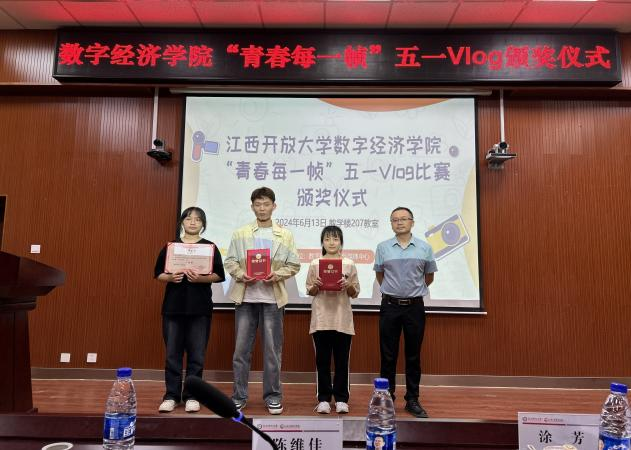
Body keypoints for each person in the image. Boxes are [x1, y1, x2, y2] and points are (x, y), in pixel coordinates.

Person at [224, 187, 300, 415]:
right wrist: (241, 274)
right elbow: (230, 262)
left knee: (272, 352)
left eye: (266, 204)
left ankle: (273, 396)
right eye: (258, 204)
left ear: (274, 206)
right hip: (245, 298)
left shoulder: (285, 235)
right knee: (241, 352)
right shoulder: (240, 233)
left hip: (272, 299)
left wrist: (278, 274)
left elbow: (294, 264)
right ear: (252, 207)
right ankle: (239, 396)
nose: (262, 208)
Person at [153, 207, 225, 413]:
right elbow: (158, 273)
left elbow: (219, 275)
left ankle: (193, 396)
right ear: (182, 222)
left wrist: (201, 279)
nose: (193, 222)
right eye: (188, 218)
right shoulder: (171, 247)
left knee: (197, 355)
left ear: (203, 224)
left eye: (198, 219)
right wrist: (170, 277)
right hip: (173, 307)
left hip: (200, 308)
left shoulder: (209, 247)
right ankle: (171, 395)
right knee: (172, 354)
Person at [373, 206, 437, 418]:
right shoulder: (383, 247)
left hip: (414, 307)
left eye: (403, 219)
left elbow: (428, 277)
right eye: (395, 220)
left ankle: (412, 399)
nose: (399, 222)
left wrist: (411, 291)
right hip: (390, 306)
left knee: (413, 355)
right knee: (387, 355)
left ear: (412, 222)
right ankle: (386, 399)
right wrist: (394, 290)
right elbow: (380, 275)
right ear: (391, 224)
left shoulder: (425, 248)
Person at [305, 225, 359, 415]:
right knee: (322, 361)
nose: (331, 242)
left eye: (335, 239)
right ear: (322, 242)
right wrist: (316, 285)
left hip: (342, 319)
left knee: (342, 361)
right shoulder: (315, 263)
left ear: (341, 243)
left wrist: (348, 284)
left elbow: (355, 292)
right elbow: (310, 290)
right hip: (321, 319)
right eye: (327, 239)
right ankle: (324, 399)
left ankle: (342, 399)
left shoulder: (349, 264)